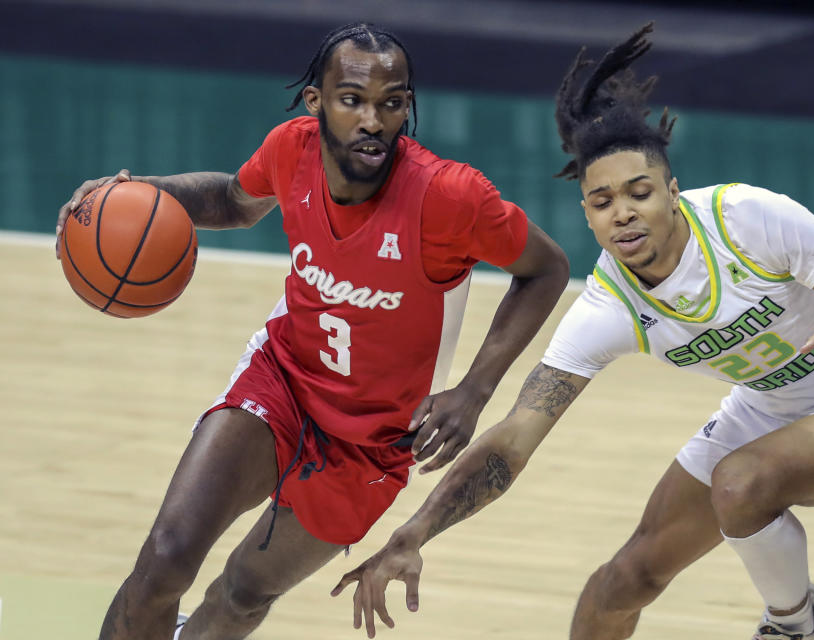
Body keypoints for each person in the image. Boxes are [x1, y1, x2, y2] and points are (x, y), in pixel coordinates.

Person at [332, 23, 814, 640]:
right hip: (767, 410)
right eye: (602, 202)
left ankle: (793, 624)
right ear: (587, 216)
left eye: (639, 193)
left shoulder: (747, 220)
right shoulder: (608, 305)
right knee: (620, 585)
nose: (622, 211)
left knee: (740, 481)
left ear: (673, 194)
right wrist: (415, 532)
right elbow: (514, 440)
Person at [54, 23, 569, 640]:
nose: (373, 119)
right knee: (164, 559)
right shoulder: (290, 150)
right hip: (282, 383)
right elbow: (232, 201)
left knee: (245, 592)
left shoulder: (449, 196)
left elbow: (546, 269)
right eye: (353, 99)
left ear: (407, 106)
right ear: (316, 102)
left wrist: (475, 389)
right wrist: (134, 195)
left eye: (392, 101)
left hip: (373, 442)